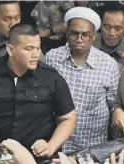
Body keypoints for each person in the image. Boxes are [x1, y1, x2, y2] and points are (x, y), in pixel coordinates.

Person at [0, 23, 76, 159]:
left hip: (36, 157)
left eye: (37, 48)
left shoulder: (51, 78)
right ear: (11, 50)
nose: (35, 54)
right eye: (29, 49)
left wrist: (51, 146)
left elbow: (68, 118)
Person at [45, 7, 119, 154]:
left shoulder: (108, 65)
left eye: (85, 35)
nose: (79, 39)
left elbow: (114, 104)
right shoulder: (52, 58)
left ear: (94, 37)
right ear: (66, 33)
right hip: (57, 144)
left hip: (93, 146)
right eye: (74, 34)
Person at [95, 2, 124, 68]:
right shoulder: (88, 45)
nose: (111, 33)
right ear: (100, 25)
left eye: (118, 28)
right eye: (107, 27)